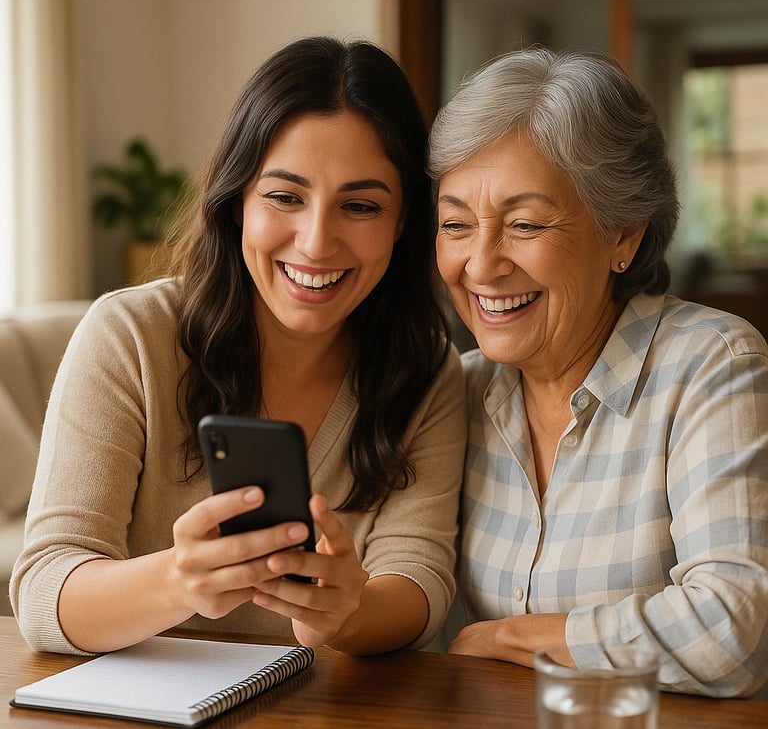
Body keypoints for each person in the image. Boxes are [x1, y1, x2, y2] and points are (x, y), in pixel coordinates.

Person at [11, 36, 466, 657]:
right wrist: (179, 580)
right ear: (237, 202)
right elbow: (44, 593)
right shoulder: (130, 336)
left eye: (360, 206)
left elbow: (420, 581)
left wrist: (347, 612)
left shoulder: (425, 367)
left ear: (404, 222)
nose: (314, 242)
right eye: (284, 197)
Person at [428, 46, 768, 698]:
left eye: (524, 223)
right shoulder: (457, 392)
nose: (480, 264)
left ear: (624, 234)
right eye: (455, 225)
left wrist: (514, 637)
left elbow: (732, 628)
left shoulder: (710, 365)